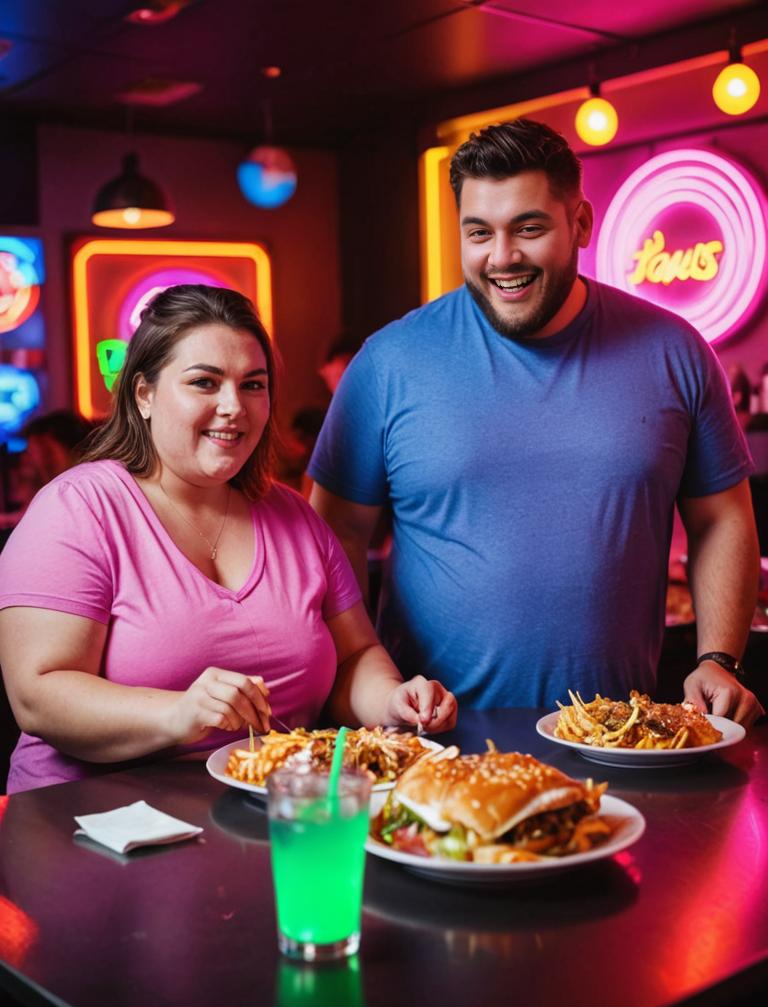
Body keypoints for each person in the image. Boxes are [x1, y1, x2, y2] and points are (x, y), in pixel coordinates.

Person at [309, 118, 763, 728]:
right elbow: (330, 538)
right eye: (479, 232)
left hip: (616, 736)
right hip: (425, 738)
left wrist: (718, 658)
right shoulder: (389, 361)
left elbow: (721, 518)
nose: (502, 258)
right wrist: (362, 682)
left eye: (528, 228)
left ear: (580, 223)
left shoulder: (674, 351)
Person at [0, 285, 456, 793]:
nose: (233, 406)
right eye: (204, 382)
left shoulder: (295, 517)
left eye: (252, 384)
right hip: (86, 823)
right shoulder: (79, 508)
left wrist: (391, 701)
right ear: (143, 394)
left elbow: (354, 657)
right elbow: (36, 695)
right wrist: (179, 712)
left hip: (261, 817)